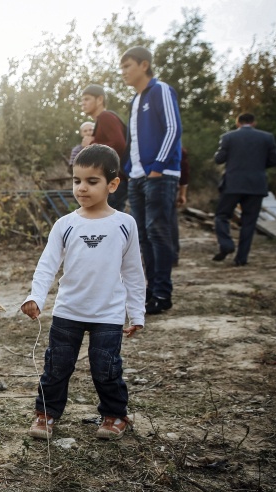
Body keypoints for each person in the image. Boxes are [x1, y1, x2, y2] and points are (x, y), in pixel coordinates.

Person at [21, 144, 145, 441]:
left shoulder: (124, 224)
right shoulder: (65, 225)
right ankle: (46, 414)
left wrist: (137, 312)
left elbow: (133, 272)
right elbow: (47, 265)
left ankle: (115, 415)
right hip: (68, 311)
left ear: (112, 184)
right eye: (77, 181)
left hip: (108, 313)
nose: (82, 188)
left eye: (92, 181)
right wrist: (35, 296)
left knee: (106, 367)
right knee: (57, 366)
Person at [120, 46, 182, 315]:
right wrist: (128, 168)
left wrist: (157, 166)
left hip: (160, 175)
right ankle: (148, 292)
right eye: (121, 68)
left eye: (127, 66)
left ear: (144, 65)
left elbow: (173, 128)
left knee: (158, 234)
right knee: (143, 236)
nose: (123, 72)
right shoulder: (135, 100)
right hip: (137, 177)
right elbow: (133, 140)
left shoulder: (161, 90)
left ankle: (162, 294)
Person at [213, 113, 276, 266]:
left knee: (221, 215)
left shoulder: (228, 137)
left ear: (237, 123)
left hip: (233, 184)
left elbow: (218, 159)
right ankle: (241, 259)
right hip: (256, 184)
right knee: (249, 221)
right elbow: (274, 160)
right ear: (254, 122)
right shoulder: (267, 137)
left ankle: (227, 244)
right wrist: (258, 168)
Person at [79, 84, 129, 211]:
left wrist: (91, 145)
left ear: (100, 100)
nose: (82, 103)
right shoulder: (101, 121)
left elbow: (119, 144)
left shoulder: (105, 117)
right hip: (112, 181)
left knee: (109, 225)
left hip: (115, 181)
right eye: (82, 100)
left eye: (87, 99)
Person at [171, 147, 189, 265]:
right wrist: (182, 194)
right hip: (171, 185)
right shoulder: (178, 148)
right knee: (169, 220)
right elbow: (185, 172)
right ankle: (173, 255)